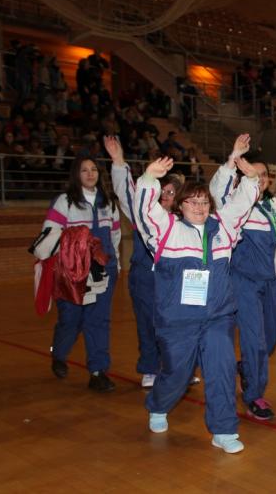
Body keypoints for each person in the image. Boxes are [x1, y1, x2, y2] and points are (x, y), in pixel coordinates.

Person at [132, 149, 260, 454]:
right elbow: (144, 211)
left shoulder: (224, 229)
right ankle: (158, 405)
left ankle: (224, 430)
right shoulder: (166, 231)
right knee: (177, 374)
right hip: (177, 322)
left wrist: (251, 178)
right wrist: (150, 178)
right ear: (180, 205)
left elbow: (243, 202)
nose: (199, 206)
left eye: (204, 201)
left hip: (218, 317)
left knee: (222, 370)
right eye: (192, 201)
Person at [209, 136, 276, 421]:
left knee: (271, 336)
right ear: (244, 175)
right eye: (255, 172)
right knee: (254, 340)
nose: (262, 178)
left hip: (272, 281)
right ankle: (254, 394)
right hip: (244, 282)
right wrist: (233, 158)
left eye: (265, 174)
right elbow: (218, 190)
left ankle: (248, 368)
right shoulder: (234, 203)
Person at [31, 155, 121, 392]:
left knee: (98, 321)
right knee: (70, 320)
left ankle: (98, 372)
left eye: (94, 169)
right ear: (76, 174)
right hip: (71, 274)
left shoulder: (109, 202)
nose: (90, 174)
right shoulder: (65, 202)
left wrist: (116, 265)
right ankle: (58, 353)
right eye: (84, 170)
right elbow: (49, 235)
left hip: (103, 273)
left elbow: (115, 236)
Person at [104, 135, 182, 388]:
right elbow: (126, 192)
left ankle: (176, 367)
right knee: (148, 325)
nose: (166, 197)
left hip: (172, 280)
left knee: (175, 325)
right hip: (145, 279)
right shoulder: (143, 216)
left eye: (171, 193)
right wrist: (118, 161)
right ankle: (150, 367)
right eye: (162, 192)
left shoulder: (184, 221)